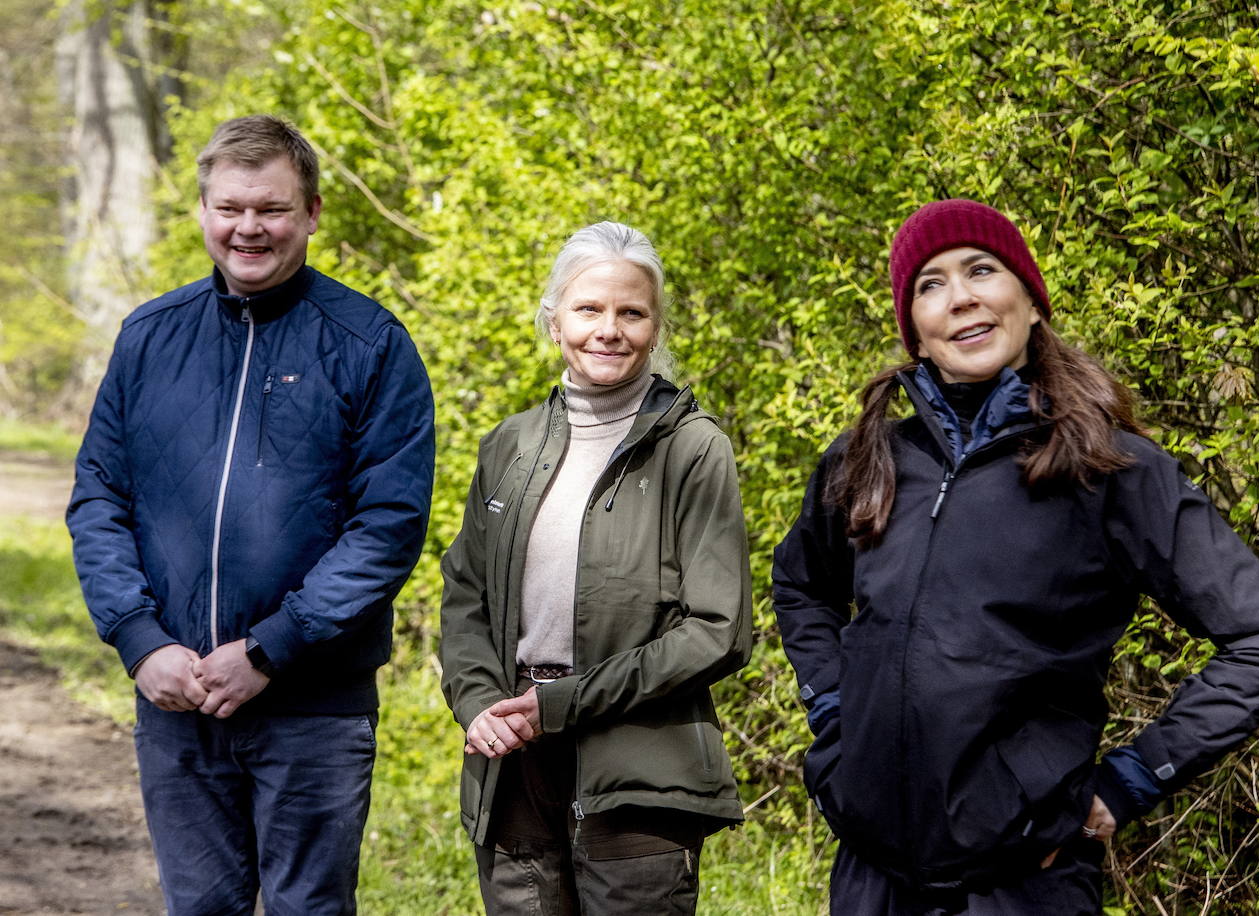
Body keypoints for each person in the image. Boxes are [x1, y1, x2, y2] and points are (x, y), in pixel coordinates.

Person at [772, 199, 1259, 915]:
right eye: (930, 285)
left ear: (1029, 299)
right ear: (915, 330)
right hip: (871, 876)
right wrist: (838, 714)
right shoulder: (871, 456)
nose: (960, 297)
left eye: (980, 270)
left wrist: (1132, 780)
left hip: (1022, 879)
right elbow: (801, 584)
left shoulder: (1112, 470)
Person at [67, 114, 435, 915]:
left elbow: (389, 527)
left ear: (311, 213)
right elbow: (99, 497)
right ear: (202, 211)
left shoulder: (370, 343)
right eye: (230, 207)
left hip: (312, 706)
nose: (249, 228)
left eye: (270, 208)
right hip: (176, 702)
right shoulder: (148, 337)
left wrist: (271, 649)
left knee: (309, 909)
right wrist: (140, 641)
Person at [438, 221, 752, 915]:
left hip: (642, 771)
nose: (608, 329)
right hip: (513, 764)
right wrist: (477, 702)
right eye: (588, 309)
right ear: (555, 321)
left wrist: (564, 705)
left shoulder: (694, 450)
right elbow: (465, 595)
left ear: (655, 326)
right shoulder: (509, 445)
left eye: (631, 312)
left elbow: (718, 630)